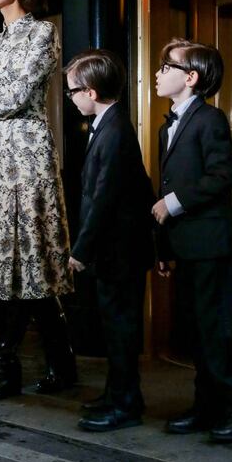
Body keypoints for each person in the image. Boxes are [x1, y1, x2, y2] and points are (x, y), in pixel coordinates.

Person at [0, 0, 76, 402]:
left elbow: (21, 90)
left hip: (30, 161)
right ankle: (61, 364)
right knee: (20, 270)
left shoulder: (42, 33)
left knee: (31, 264)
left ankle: (5, 370)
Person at [152, 37, 232, 442]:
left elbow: (221, 178)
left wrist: (173, 203)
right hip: (185, 247)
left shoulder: (209, 120)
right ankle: (207, 406)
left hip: (211, 245)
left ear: (191, 77)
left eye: (167, 67)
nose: (159, 73)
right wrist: (164, 248)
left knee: (214, 330)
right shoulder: (171, 125)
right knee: (196, 333)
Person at [65, 49, 155, 432]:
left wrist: (81, 250)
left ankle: (125, 405)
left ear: (90, 91)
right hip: (117, 252)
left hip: (120, 253)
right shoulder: (108, 124)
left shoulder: (114, 129)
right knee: (115, 328)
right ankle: (119, 395)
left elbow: (104, 197)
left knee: (121, 330)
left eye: (72, 92)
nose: (70, 98)